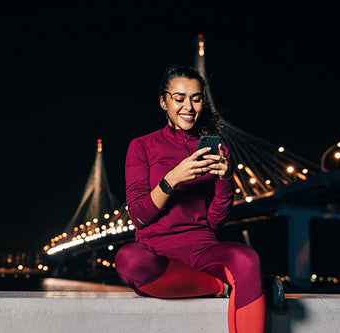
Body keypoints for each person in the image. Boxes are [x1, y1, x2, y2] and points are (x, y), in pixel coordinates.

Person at [115, 65, 277, 332]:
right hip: (159, 256)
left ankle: (237, 281)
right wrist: (172, 179)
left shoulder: (216, 149)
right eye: (179, 98)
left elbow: (215, 220)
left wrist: (226, 177)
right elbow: (139, 216)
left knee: (247, 258)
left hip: (203, 250)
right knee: (129, 260)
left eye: (196, 98)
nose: (188, 106)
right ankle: (220, 287)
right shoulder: (141, 146)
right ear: (163, 102)